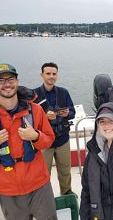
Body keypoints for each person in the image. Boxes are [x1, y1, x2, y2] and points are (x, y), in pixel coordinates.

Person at [0, 63, 57, 220]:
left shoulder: (36, 110)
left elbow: (49, 140)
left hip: (40, 185)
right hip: (8, 190)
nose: (7, 84)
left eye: (10, 79)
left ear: (17, 81)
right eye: (1, 81)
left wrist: (36, 136)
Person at [34, 62, 76, 196]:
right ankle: (45, 197)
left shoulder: (64, 92)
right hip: (44, 141)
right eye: (48, 73)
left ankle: (66, 192)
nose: (51, 76)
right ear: (42, 75)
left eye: (54, 74)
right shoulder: (34, 95)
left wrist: (67, 114)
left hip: (62, 138)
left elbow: (73, 112)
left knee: (65, 169)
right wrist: (43, 116)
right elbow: (29, 119)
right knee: (44, 172)